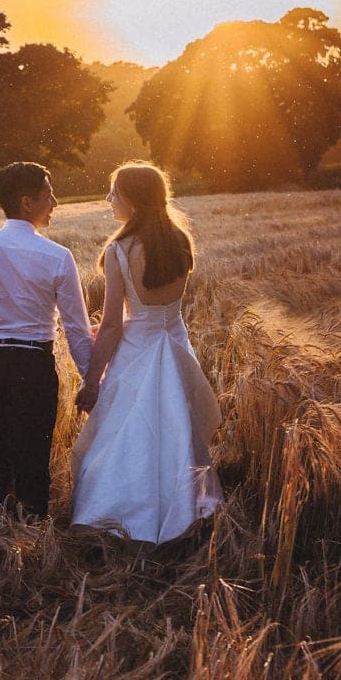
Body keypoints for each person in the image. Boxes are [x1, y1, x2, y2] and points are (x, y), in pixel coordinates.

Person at [70, 162, 222, 542]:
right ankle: (186, 513)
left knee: (127, 437)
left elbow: (111, 326)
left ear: (133, 201)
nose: (109, 200)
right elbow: (161, 309)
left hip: (136, 352)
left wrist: (91, 381)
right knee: (174, 433)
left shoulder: (119, 251)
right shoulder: (180, 243)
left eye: (114, 193)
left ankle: (120, 517)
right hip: (174, 346)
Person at [0, 162, 93, 518]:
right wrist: (90, 380)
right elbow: (76, 328)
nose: (55, 202)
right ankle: (34, 544)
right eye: (48, 195)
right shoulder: (58, 257)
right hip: (34, 366)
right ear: (27, 202)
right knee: (33, 460)